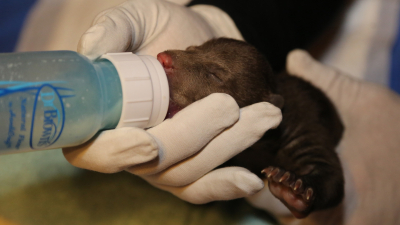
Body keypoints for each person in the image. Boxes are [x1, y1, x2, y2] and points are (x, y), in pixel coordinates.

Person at [63, 0, 400, 224]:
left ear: (263, 103)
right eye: (193, 49)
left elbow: (327, 178)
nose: (171, 57)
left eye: (213, 75)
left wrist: (310, 190)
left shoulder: (299, 117)